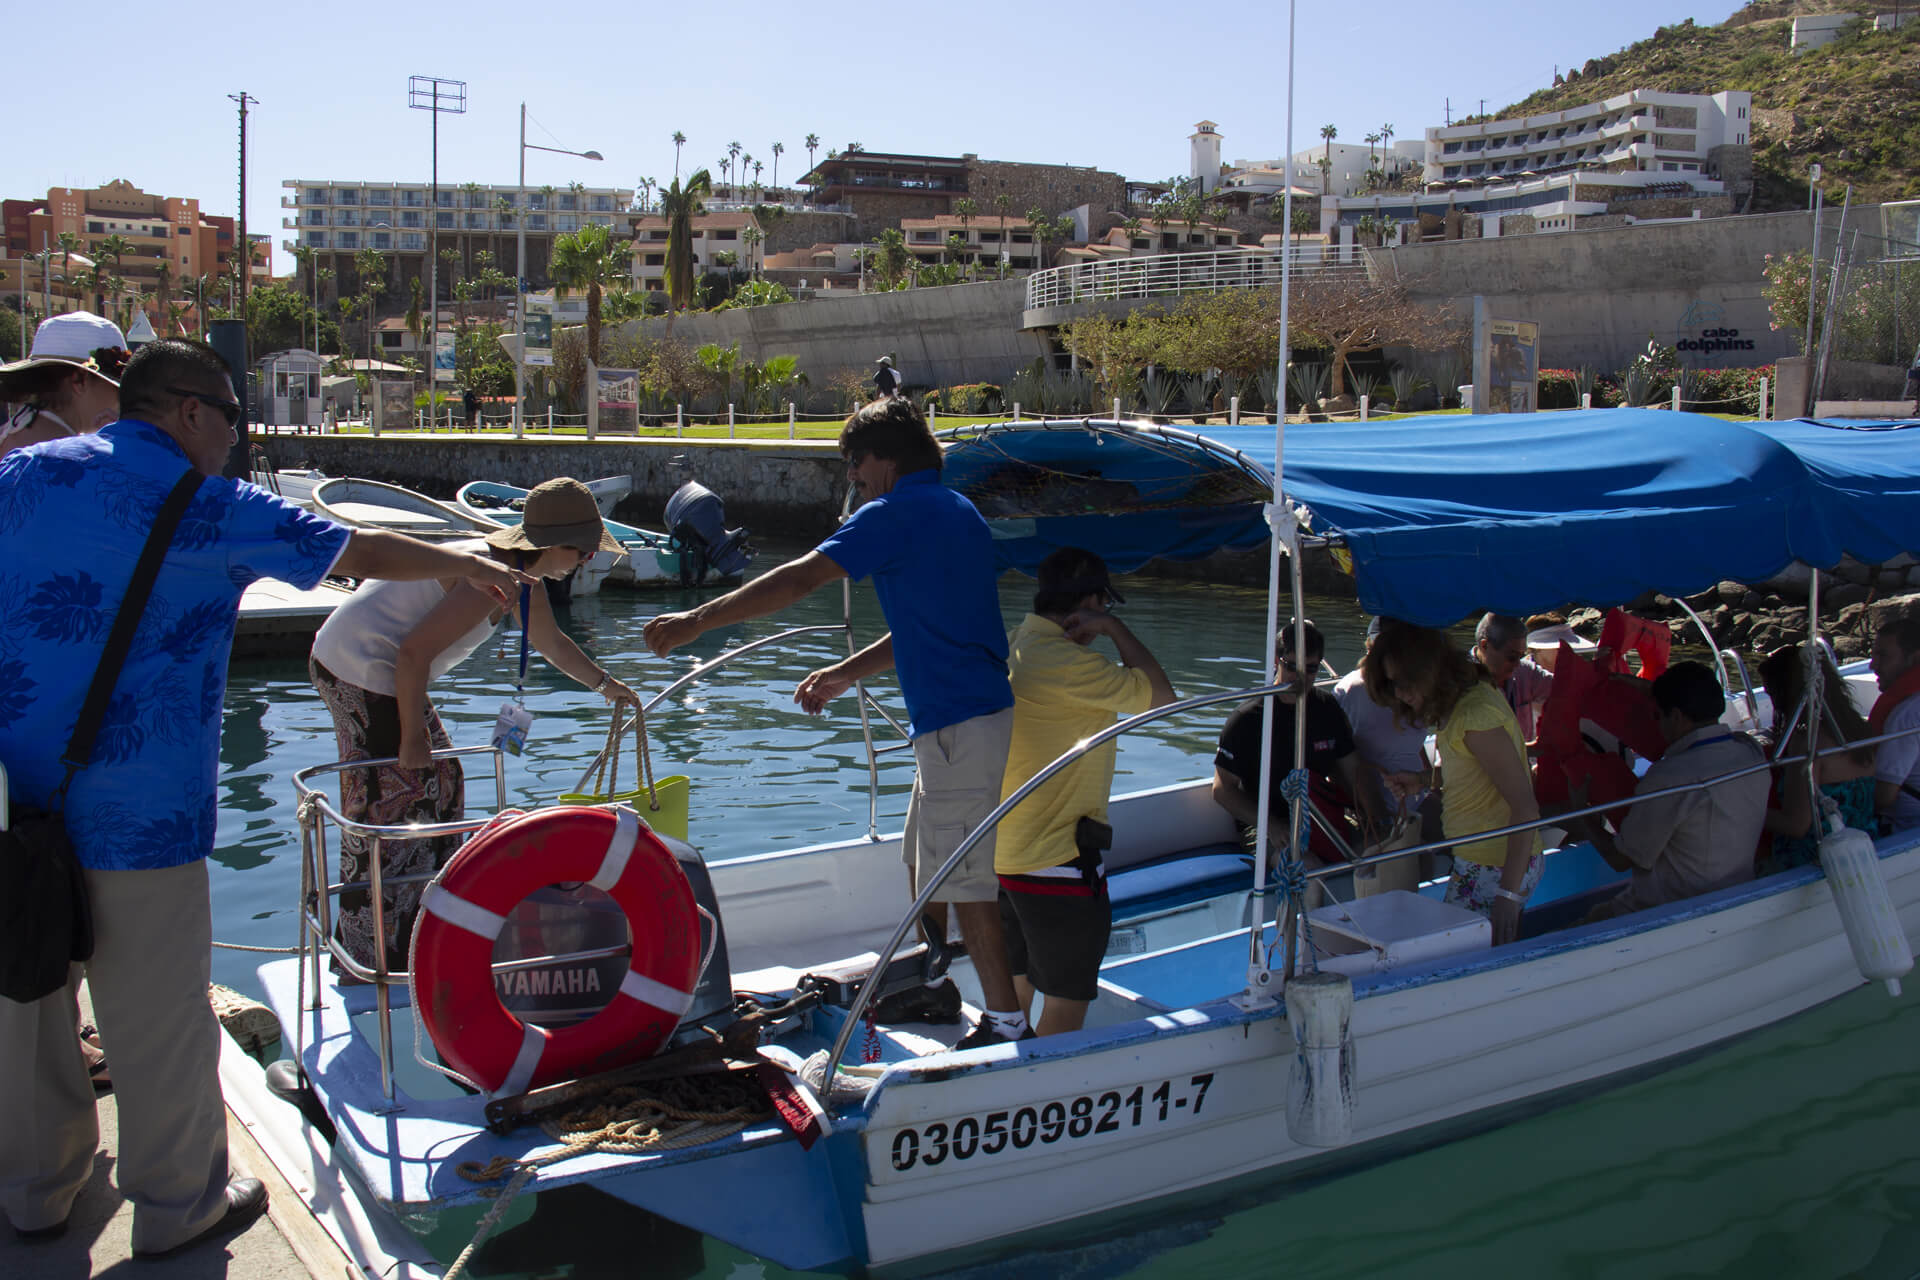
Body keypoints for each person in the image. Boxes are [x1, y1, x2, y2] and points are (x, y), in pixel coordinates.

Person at [0, 339, 527, 1257]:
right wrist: (470, 560)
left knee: (27, 997)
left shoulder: (21, 476)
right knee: (155, 1014)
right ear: (191, 413)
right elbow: (355, 549)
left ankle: (37, 1191)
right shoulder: (206, 505)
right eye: (233, 420)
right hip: (142, 808)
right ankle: (178, 1205)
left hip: (14, 799)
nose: (236, 441)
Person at [644, 396, 1026, 1047]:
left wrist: (696, 622)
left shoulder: (896, 512)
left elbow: (798, 578)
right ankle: (933, 987)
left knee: (964, 881)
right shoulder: (957, 511)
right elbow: (929, 626)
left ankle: (1006, 1023)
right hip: (961, 720)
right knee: (921, 859)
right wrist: (848, 672)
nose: (853, 475)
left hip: (960, 724)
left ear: (887, 457)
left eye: (856, 461)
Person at [308, 477, 642, 972]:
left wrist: (608, 686)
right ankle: (369, 954)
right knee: (393, 801)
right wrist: (413, 736)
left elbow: (550, 643)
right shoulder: (491, 580)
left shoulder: (521, 579)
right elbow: (413, 652)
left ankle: (424, 930)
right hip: (358, 666)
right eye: (586, 554)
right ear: (554, 547)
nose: (584, 564)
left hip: (381, 669)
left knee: (443, 785)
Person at [997, 548, 1173, 1037]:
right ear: (1091, 602)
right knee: (1065, 1010)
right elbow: (1163, 699)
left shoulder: (1018, 644)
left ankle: (999, 1083)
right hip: (1055, 861)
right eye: (1105, 607)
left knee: (1013, 1002)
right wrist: (1114, 631)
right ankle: (1039, 1098)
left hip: (1005, 854)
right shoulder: (1068, 665)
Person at [1363, 620, 1541, 944]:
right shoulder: (1464, 701)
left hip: (1495, 864)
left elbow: (1525, 807)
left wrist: (1508, 896)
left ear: (1428, 671)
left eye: (1404, 682)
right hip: (1481, 860)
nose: (1400, 694)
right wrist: (1420, 780)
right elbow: (1476, 770)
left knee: (1458, 954)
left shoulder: (1474, 716)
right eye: (1392, 685)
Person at [1568, 661, 1769, 920]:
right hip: (1735, 890)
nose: (1657, 725)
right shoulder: (1749, 751)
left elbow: (1620, 860)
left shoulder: (1669, 778)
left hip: (1670, 909)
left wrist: (1582, 814)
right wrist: (1659, 693)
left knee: (1587, 919)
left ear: (1675, 717)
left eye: (1657, 716)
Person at [1213, 620, 1381, 879]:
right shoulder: (1248, 719)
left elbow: (1353, 771)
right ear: (1277, 661)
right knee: (1305, 866)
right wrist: (1272, 825)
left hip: (1321, 814)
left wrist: (1372, 820)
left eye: (1311, 669)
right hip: (1266, 823)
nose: (1300, 677)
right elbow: (1222, 790)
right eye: (1291, 667)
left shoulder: (1329, 710)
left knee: (1377, 852)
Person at [1756, 644, 1877, 875]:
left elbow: (1796, 824)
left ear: (1784, 693)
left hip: (1816, 858)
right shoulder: (1860, 731)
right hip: (1864, 845)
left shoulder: (1808, 744)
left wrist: (1745, 811)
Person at [1333, 617, 1440, 846]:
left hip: (1415, 795)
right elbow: (1337, 757)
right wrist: (1366, 809)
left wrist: (1430, 783)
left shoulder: (1416, 689)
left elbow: (1412, 744)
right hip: (1370, 806)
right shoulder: (1350, 690)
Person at [0, 312, 129, 454]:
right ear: (80, 381)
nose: (120, 399)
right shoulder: (65, 454)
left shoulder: (17, 432)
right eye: (114, 386)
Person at [1869, 618, 1920, 835]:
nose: (1873, 665)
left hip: (1906, 826)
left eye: (1883, 655)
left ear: (1914, 659)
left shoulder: (1906, 715)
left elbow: (1883, 797)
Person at [1474, 612, 1553, 742]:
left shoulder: (1525, 671)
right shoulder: (1459, 681)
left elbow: (1564, 686)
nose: (1517, 664)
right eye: (1511, 657)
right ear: (1485, 645)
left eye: (1521, 656)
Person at [1523, 614, 1598, 674]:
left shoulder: (1579, 674)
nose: (1569, 653)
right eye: (1559, 648)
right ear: (1537, 649)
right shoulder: (1519, 677)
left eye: (1571, 648)